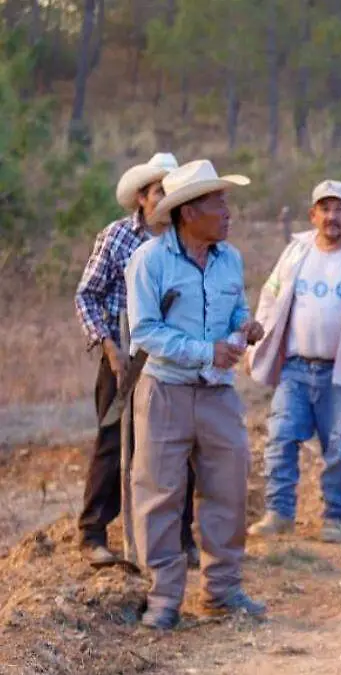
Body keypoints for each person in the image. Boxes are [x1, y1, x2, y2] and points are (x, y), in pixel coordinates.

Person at [124, 158, 266, 630]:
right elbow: (146, 332)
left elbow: (236, 308)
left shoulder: (230, 259)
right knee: (160, 494)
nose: (228, 212)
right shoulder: (149, 261)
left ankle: (222, 591)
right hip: (164, 391)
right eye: (218, 203)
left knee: (228, 486)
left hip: (217, 393)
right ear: (188, 212)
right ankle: (164, 599)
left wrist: (245, 326)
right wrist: (208, 351)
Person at [245, 180, 341, 544]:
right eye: (325, 209)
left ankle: (334, 518)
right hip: (296, 367)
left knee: (339, 449)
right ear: (312, 215)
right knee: (280, 438)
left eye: (339, 209)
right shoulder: (296, 252)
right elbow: (270, 298)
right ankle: (279, 513)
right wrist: (257, 346)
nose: (332, 216)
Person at [72, 151, 200, 569]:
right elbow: (87, 295)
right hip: (123, 358)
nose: (166, 199)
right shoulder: (117, 237)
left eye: (172, 192)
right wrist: (108, 346)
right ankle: (93, 533)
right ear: (142, 198)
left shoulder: (187, 239)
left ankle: (179, 538)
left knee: (175, 447)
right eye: (159, 191)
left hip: (172, 359)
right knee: (113, 442)